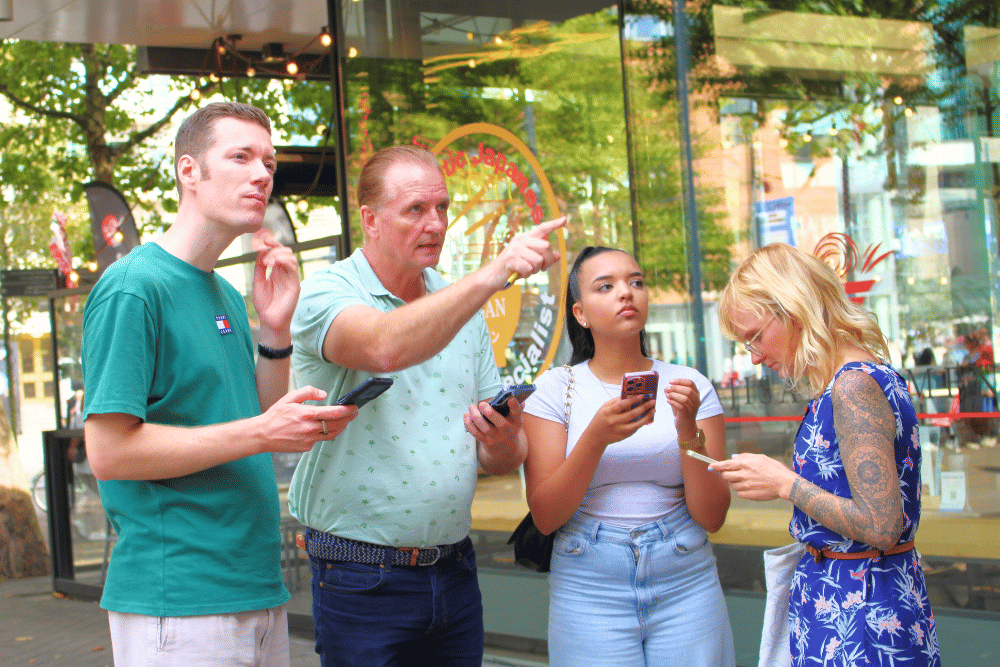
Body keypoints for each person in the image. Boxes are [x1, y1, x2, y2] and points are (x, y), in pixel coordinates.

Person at [82, 102, 358, 667]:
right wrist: (262, 431)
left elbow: (253, 418)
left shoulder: (226, 295)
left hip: (256, 586)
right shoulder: (133, 287)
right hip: (180, 597)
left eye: (269, 162)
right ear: (189, 171)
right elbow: (108, 452)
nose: (262, 174)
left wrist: (275, 332)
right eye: (241, 157)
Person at [289, 144, 565, 667]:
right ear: (369, 220)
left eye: (441, 207)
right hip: (360, 574)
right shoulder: (327, 291)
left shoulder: (458, 303)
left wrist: (503, 438)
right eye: (416, 210)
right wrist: (495, 273)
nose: (435, 223)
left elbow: (502, 458)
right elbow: (384, 347)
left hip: (453, 568)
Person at [711, 243, 940, 666]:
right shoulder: (852, 381)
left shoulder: (853, 387)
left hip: (862, 611)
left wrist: (785, 483)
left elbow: (881, 524)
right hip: (848, 599)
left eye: (757, 335)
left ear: (796, 309)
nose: (755, 356)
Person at [521, 246, 735, 667]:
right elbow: (546, 516)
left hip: (685, 575)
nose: (627, 293)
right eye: (607, 286)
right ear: (581, 314)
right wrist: (596, 438)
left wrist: (687, 430)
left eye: (636, 282)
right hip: (588, 582)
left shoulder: (688, 384)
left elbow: (712, 516)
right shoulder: (553, 389)